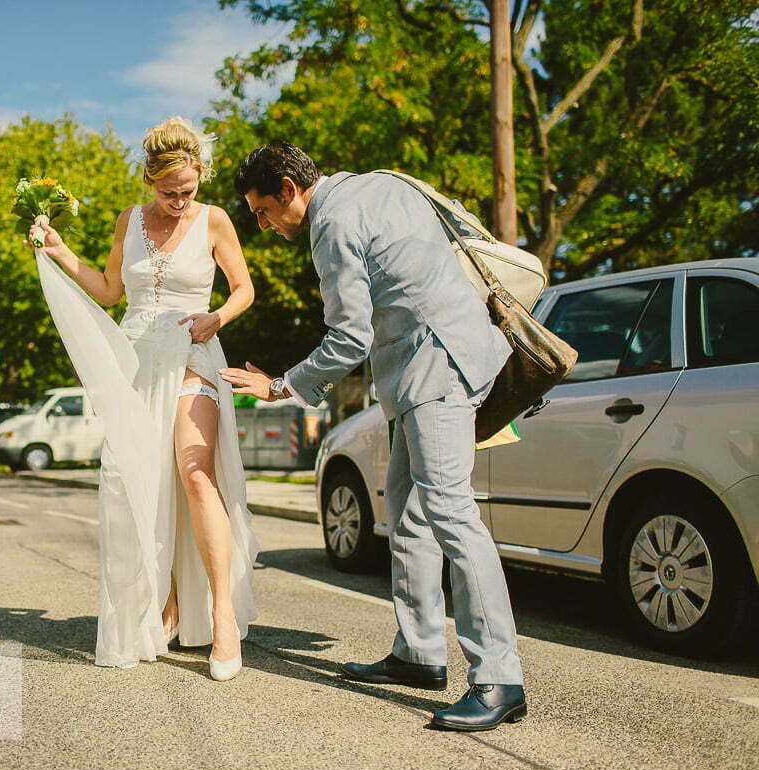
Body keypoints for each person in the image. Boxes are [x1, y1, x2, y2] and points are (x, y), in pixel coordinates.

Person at [220, 142, 528, 729]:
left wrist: (281, 386)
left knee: (451, 514)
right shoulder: (379, 182)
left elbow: (349, 338)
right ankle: (418, 653)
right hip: (436, 363)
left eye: (261, 211)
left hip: (437, 370)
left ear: (288, 188)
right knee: (409, 515)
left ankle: (499, 677)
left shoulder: (331, 224)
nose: (261, 226)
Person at [28, 118, 259, 680]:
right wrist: (60, 251)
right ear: (149, 182)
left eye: (190, 189)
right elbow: (110, 291)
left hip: (191, 350)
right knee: (144, 483)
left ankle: (221, 617)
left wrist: (218, 317)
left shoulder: (215, 220)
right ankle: (169, 603)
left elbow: (244, 289)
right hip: (134, 358)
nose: (181, 201)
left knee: (193, 470)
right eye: (169, 192)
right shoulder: (128, 221)